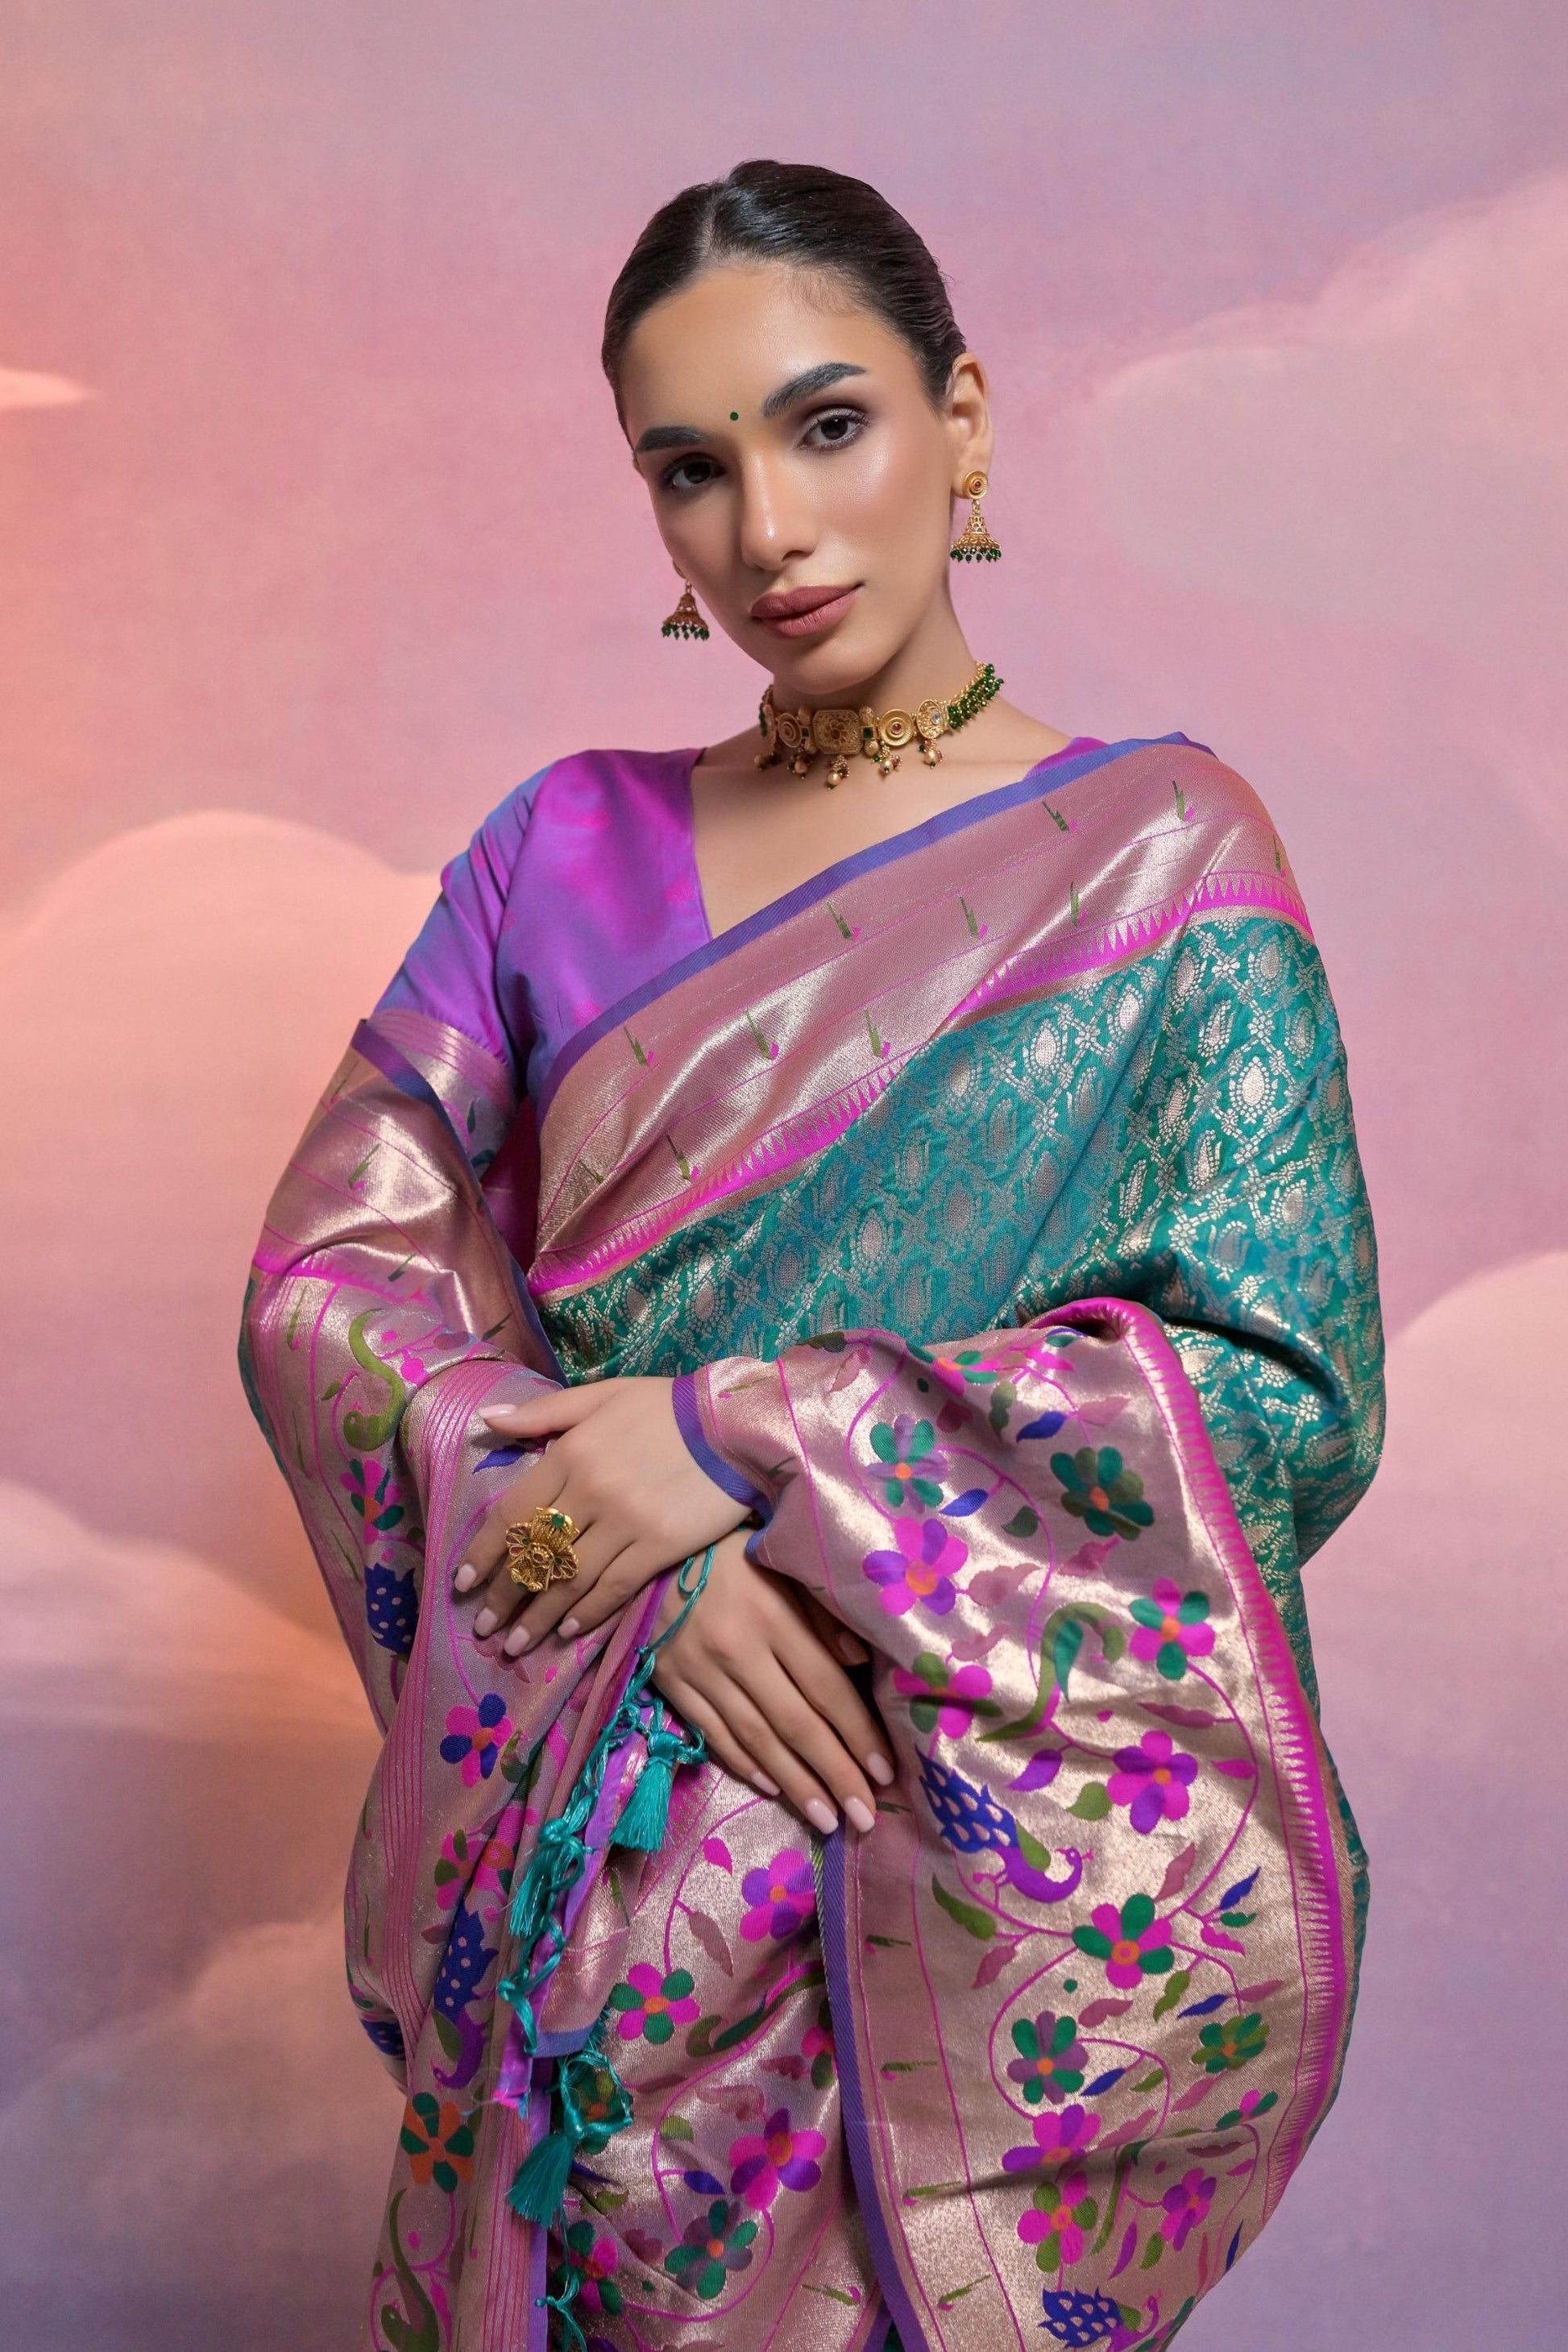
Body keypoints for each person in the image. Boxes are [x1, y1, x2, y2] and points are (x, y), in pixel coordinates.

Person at [242, 160, 1383, 2352]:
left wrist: (740, 1439)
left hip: (951, 1912)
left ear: (963, 422)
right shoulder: (554, 850)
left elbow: (1281, 1395)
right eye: (691, 467)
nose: (766, 527)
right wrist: (624, 1564)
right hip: (596, 1914)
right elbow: (329, 1292)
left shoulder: (1162, 857)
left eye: (827, 425)